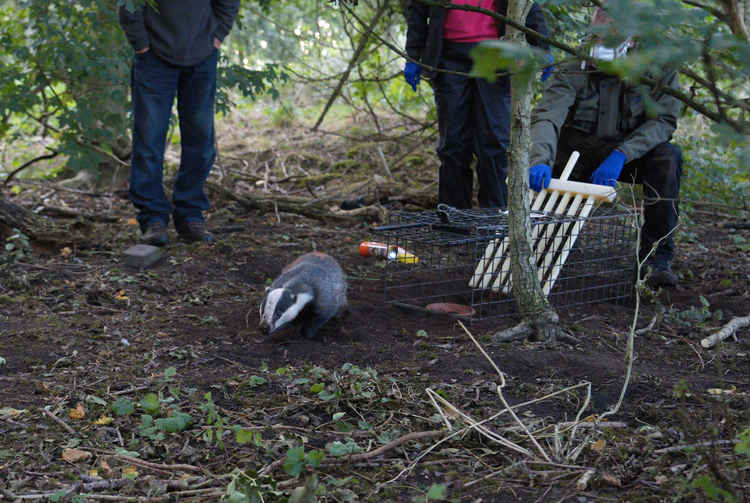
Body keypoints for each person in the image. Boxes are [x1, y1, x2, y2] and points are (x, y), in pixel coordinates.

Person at [528, 7, 683, 287]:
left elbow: (663, 120)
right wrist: (540, 158)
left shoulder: (658, 68)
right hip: (578, 154)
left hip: (628, 154)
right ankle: (552, 250)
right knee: (553, 171)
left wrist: (621, 154)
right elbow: (548, 115)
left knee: (668, 158)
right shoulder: (574, 65)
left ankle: (655, 260)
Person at [404, 0, 552, 209]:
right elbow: (418, 10)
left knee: (495, 142)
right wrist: (413, 55)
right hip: (448, 56)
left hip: (495, 55)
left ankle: (494, 220)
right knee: (453, 143)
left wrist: (542, 46)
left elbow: (526, 4)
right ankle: (453, 220)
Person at [119, 0, 241, 246]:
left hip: (202, 54)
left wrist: (218, 35)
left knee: (200, 140)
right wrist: (140, 44)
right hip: (153, 56)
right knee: (148, 140)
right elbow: (129, 4)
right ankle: (153, 220)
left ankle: (190, 216)